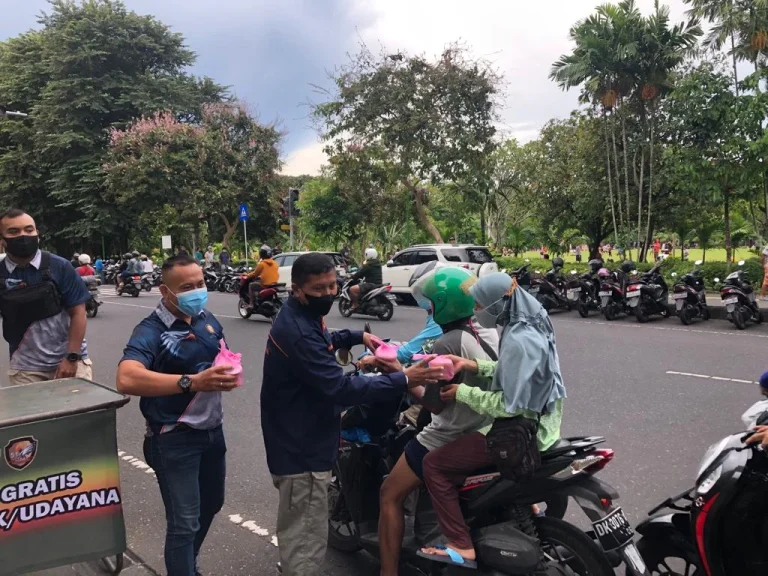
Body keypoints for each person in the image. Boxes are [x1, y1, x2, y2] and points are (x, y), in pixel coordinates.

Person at [261, 252, 444, 576]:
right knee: (306, 537)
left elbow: (323, 342)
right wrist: (404, 378)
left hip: (299, 434)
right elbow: (341, 389)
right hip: (302, 450)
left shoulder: (299, 316)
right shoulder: (298, 331)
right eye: (319, 289)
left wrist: (357, 336)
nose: (328, 293)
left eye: (332, 285)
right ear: (298, 289)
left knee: (300, 529)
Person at [418, 272, 565, 566]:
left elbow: (508, 405)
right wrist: (472, 365)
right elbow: (513, 373)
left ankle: (461, 545)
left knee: (433, 465)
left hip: (522, 431)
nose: (476, 311)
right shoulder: (528, 325)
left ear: (498, 303)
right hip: (543, 423)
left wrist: (462, 392)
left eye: (480, 305)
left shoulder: (519, 340)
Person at [116, 254, 238, 576]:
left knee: (212, 505)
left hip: (212, 432)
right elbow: (126, 378)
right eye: (186, 287)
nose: (197, 291)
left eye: (200, 283)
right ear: (165, 291)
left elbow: (220, 355)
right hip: (173, 439)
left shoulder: (206, 318)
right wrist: (192, 382)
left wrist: (227, 371)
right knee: (184, 524)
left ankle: (185, 564)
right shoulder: (151, 330)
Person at [378, 267, 499, 576]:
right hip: (486, 428)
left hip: (449, 433)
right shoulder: (486, 333)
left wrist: (400, 375)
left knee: (389, 494)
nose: (429, 310)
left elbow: (433, 403)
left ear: (443, 305)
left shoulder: (448, 343)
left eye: (431, 304)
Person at [0, 209, 92, 386]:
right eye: (13, 231)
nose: (23, 235)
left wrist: (72, 357)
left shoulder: (60, 266)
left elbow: (79, 313)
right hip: (25, 369)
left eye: (29, 230)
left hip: (71, 363)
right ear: (2, 240)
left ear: (37, 234)